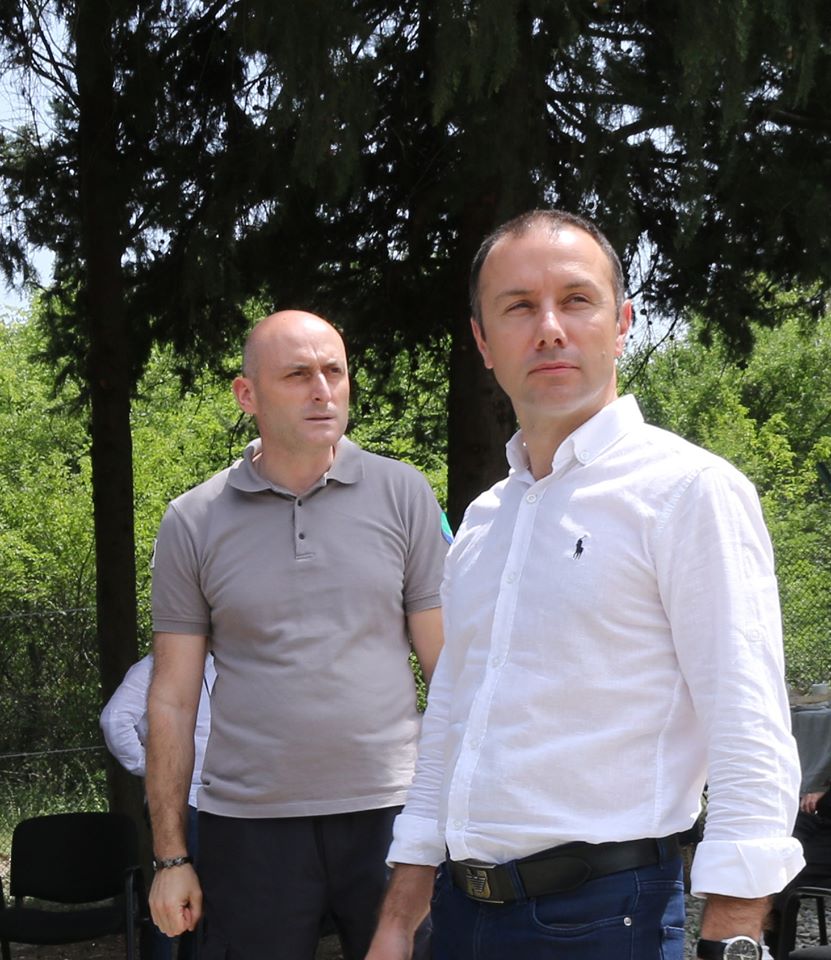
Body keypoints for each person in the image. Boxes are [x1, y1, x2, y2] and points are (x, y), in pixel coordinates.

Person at [366, 209, 804, 960]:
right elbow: (450, 722)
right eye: (517, 307)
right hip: (460, 917)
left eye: (575, 300)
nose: (548, 329)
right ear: (482, 343)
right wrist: (400, 916)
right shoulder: (484, 521)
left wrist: (731, 935)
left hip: (607, 920)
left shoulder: (687, 491)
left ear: (622, 323)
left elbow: (747, 726)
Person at [145, 310, 448, 960]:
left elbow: (449, 668)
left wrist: (459, 809)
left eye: (334, 371)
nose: (322, 390)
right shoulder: (192, 520)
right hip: (247, 828)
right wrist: (171, 856)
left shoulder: (405, 494)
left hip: (393, 814)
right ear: (246, 394)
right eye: (297, 375)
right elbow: (171, 698)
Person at [100, 652, 215, 960]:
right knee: (175, 894)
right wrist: (153, 768)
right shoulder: (154, 667)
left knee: (205, 902)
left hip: (221, 802)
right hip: (181, 802)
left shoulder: (228, 663)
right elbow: (114, 720)